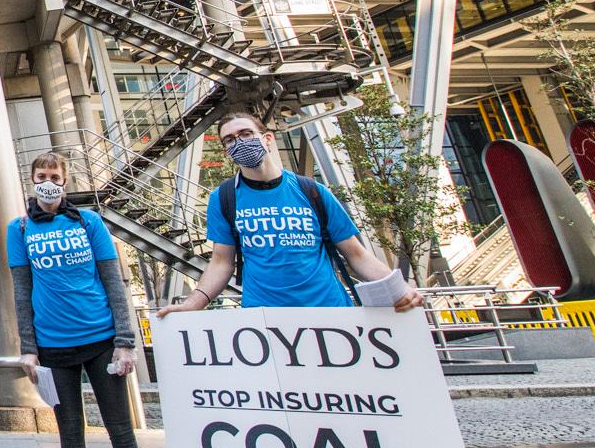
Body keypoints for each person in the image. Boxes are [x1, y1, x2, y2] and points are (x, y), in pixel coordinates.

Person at [8, 151, 166, 448]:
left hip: (100, 341)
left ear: (65, 181)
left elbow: (113, 281)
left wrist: (125, 340)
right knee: (71, 438)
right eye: (41, 176)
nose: (48, 182)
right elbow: (22, 292)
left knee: (122, 435)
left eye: (55, 176)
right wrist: (29, 347)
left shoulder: (89, 222)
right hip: (55, 349)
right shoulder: (19, 228)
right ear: (31, 180)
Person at [159, 111, 426, 316]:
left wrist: (399, 288)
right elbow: (221, 262)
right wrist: (192, 304)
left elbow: (356, 255)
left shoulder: (312, 191)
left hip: (331, 312)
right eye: (229, 140)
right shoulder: (224, 198)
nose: (238, 143)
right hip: (266, 318)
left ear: (267, 138)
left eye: (245, 134)